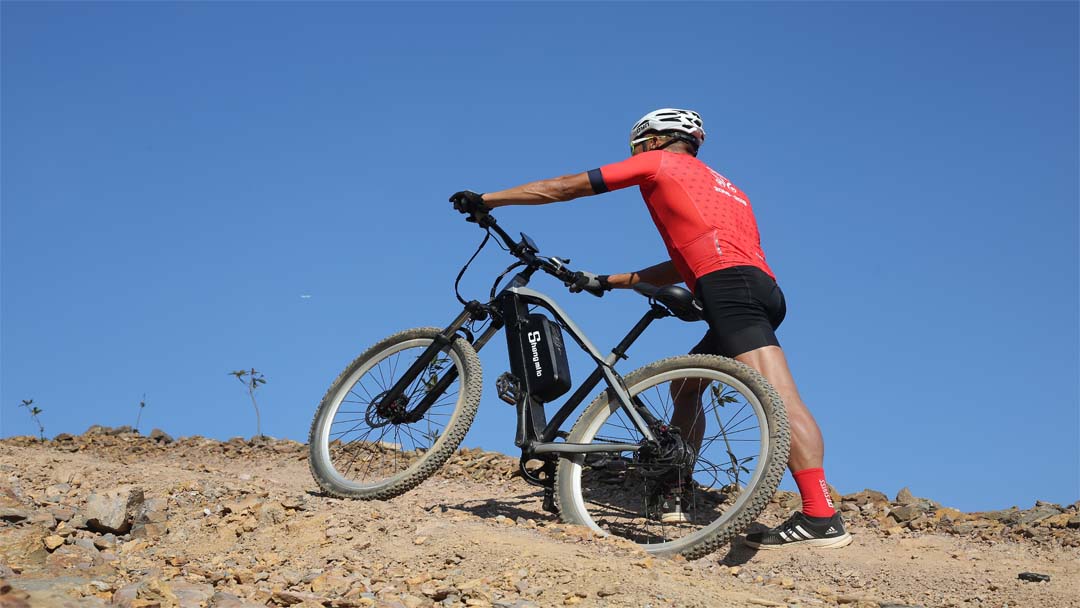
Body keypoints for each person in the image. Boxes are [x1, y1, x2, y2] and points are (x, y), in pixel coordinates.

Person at [449, 108, 850, 550]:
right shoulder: (729, 189)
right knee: (686, 388)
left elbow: (564, 188)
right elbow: (684, 259)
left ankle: (820, 514)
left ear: (654, 141)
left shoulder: (659, 163)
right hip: (755, 287)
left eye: (636, 146)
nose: (634, 153)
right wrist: (606, 281)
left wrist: (488, 199)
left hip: (728, 288)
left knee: (778, 397)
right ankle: (676, 488)